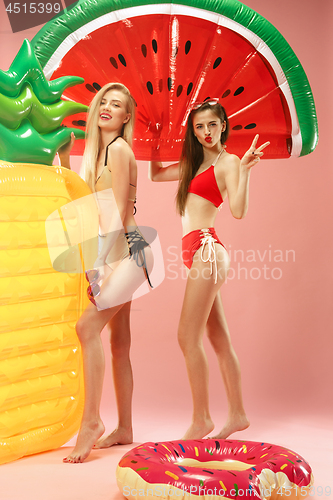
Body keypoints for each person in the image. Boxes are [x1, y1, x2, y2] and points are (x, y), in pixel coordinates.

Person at [149, 99, 269, 440]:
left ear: (223, 126)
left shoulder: (228, 161)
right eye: (199, 126)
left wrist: (244, 172)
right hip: (195, 255)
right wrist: (155, 138)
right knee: (218, 340)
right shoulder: (192, 162)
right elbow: (156, 173)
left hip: (207, 250)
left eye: (212, 125)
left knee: (187, 337)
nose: (206, 132)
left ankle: (201, 418)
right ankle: (238, 415)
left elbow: (239, 210)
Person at [59, 82, 153, 463]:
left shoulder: (119, 150)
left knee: (86, 328)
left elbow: (117, 218)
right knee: (119, 343)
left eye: (117, 105)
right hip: (128, 250)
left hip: (127, 252)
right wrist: (64, 162)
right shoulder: (104, 154)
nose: (108, 108)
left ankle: (91, 422)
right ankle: (125, 426)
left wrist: (99, 270)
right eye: (104, 102)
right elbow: (88, 208)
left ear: (126, 116)